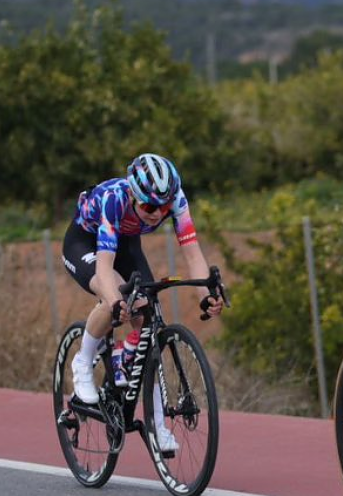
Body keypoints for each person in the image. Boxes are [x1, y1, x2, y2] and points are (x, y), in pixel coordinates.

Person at [62, 152, 224, 451]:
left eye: (162, 208)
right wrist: (115, 302)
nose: (156, 213)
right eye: (149, 206)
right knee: (113, 293)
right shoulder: (114, 199)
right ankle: (82, 363)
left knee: (147, 317)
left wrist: (207, 297)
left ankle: (157, 426)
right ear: (134, 196)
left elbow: (192, 253)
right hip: (85, 242)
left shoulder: (176, 200)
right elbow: (104, 267)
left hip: (127, 243)